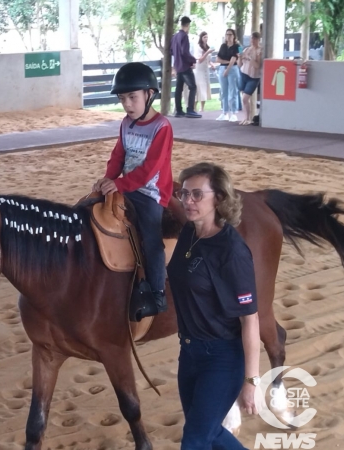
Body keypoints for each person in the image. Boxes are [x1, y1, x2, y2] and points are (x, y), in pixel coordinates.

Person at [167, 163, 260, 449]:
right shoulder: (188, 234)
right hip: (190, 353)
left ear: (218, 198)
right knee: (208, 432)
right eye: (184, 194)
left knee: (195, 440)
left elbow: (250, 320)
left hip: (222, 358)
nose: (188, 201)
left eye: (197, 194)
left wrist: (250, 381)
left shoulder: (231, 251)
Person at [92, 62, 173, 320]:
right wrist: (108, 178)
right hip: (126, 187)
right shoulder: (126, 123)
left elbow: (150, 169)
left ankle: (157, 293)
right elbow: (118, 155)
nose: (127, 104)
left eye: (133, 97)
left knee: (151, 238)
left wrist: (120, 184)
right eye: (122, 98)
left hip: (151, 193)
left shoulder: (162, 127)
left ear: (150, 95)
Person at [172, 16, 203, 118]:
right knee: (193, 87)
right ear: (188, 25)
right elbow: (184, 51)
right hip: (185, 66)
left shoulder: (175, 36)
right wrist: (192, 60)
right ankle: (190, 109)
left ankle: (179, 110)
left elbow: (171, 51)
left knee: (178, 89)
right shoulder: (184, 36)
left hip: (178, 65)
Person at [216, 29, 242, 122]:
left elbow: (235, 58)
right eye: (227, 35)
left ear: (234, 36)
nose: (228, 36)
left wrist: (227, 69)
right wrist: (226, 62)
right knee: (223, 92)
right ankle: (225, 112)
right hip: (222, 68)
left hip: (232, 69)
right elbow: (218, 59)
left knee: (233, 91)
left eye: (230, 35)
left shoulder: (237, 46)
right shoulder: (223, 46)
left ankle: (233, 113)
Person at [238, 32, 263, 125]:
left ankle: (247, 118)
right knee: (243, 99)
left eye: (255, 39)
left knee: (245, 98)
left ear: (258, 40)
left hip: (253, 77)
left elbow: (257, 66)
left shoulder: (260, 51)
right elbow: (240, 64)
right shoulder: (246, 49)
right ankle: (245, 118)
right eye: (252, 38)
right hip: (244, 73)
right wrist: (240, 57)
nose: (253, 41)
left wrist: (250, 58)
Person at [193, 31, 215, 112]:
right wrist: (207, 52)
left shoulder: (208, 47)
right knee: (198, 88)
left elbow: (208, 60)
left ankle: (202, 108)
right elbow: (200, 60)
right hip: (199, 70)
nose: (206, 39)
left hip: (206, 70)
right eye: (204, 37)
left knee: (205, 88)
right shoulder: (198, 47)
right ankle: (194, 107)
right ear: (201, 38)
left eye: (207, 37)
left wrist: (212, 64)